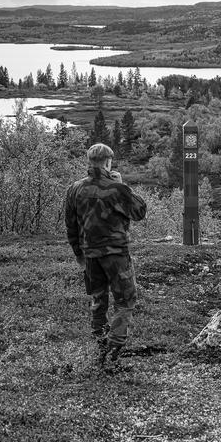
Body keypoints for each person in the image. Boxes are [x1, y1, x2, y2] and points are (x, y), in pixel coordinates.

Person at [65, 143, 147, 371]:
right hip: (116, 255)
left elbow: (70, 225)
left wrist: (78, 254)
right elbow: (140, 211)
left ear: (90, 162)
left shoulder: (75, 189)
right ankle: (113, 352)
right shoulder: (116, 189)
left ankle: (100, 349)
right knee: (125, 300)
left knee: (99, 301)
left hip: (90, 256)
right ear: (108, 162)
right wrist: (122, 185)